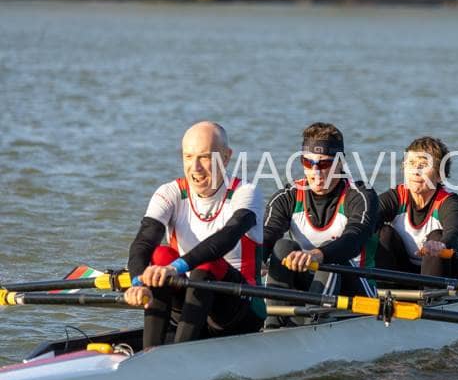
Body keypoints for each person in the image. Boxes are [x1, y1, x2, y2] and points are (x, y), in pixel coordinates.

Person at [124, 121, 266, 348]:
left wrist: (176, 268)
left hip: (239, 310)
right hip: (187, 305)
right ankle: (151, 350)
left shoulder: (246, 192)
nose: (195, 168)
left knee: (206, 266)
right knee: (160, 257)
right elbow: (145, 240)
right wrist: (137, 281)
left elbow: (226, 238)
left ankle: (180, 355)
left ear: (226, 157)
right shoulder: (169, 193)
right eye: (188, 157)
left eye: (204, 157)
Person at [263, 122, 378, 327]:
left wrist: (318, 254)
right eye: (308, 163)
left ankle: (310, 325)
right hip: (309, 285)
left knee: (332, 258)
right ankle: (273, 324)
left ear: (340, 163)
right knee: (282, 248)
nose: (316, 171)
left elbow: (354, 238)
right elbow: (267, 236)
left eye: (324, 164)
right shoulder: (287, 197)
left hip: (355, 291)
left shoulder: (360, 195)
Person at [375, 137, 458, 281]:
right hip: (403, 271)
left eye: (423, 165)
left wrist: (441, 244)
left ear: (440, 176)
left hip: (444, 275)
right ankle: (384, 287)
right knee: (382, 232)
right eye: (411, 163)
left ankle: (431, 292)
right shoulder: (395, 197)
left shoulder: (450, 203)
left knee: (437, 236)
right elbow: (368, 219)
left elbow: (454, 233)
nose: (416, 171)